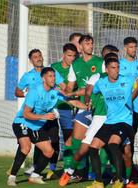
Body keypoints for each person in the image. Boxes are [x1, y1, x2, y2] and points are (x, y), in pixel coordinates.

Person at [7, 67, 87, 186]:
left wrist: (87, 107)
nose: (53, 78)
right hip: (22, 122)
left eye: (54, 76)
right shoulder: (34, 91)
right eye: (50, 76)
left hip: (37, 126)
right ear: (43, 78)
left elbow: (72, 102)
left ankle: (35, 175)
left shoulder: (55, 92)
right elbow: (26, 113)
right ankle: (12, 177)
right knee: (26, 147)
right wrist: (44, 117)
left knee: (49, 152)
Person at [87, 57, 138, 188]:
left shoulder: (127, 80)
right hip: (109, 122)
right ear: (106, 70)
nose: (116, 70)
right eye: (113, 68)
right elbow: (90, 91)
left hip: (124, 122)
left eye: (118, 67)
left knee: (113, 145)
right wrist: (86, 99)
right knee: (93, 147)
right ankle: (99, 182)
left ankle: (119, 180)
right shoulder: (101, 83)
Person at [59, 34, 104, 185]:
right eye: (87, 43)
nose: (91, 46)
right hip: (84, 108)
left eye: (92, 43)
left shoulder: (100, 62)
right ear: (81, 46)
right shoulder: (75, 65)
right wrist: (66, 92)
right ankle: (79, 171)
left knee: (101, 142)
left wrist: (77, 93)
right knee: (77, 139)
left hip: (100, 108)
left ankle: (98, 171)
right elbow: (70, 88)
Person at [119, 36, 138, 176]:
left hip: (135, 109)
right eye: (131, 47)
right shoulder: (119, 65)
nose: (134, 50)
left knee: (131, 140)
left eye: (135, 47)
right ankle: (120, 170)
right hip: (121, 110)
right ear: (125, 48)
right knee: (119, 140)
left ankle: (129, 169)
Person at [49, 43, 78, 179]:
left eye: (74, 56)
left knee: (68, 138)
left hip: (67, 107)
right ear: (63, 55)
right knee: (52, 138)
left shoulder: (76, 69)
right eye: (69, 55)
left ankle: (66, 170)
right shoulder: (53, 67)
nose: (72, 58)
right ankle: (50, 168)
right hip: (52, 107)